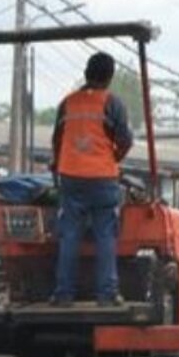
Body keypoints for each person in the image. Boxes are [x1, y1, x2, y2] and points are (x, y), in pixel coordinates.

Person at [50, 52, 134, 307]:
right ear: (108, 77)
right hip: (102, 179)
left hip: (71, 178)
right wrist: (114, 158)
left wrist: (60, 164)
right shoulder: (112, 103)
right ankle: (107, 295)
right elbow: (125, 140)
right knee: (105, 235)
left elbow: (57, 140)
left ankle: (64, 294)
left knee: (70, 235)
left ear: (86, 73)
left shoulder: (68, 102)